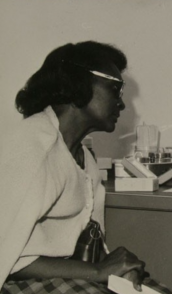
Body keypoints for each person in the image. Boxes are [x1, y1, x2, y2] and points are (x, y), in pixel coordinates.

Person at [0, 41, 148, 294]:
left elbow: (86, 245)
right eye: (115, 89)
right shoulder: (31, 146)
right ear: (78, 82)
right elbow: (7, 254)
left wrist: (116, 267)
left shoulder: (83, 158)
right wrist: (98, 272)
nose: (122, 104)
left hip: (56, 276)